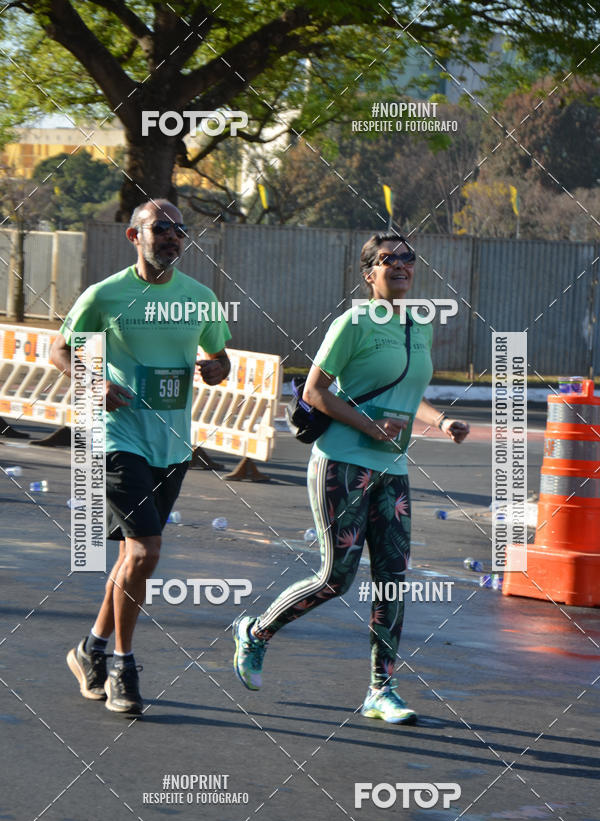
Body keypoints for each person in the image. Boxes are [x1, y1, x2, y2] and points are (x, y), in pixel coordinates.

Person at [232, 232, 469, 723]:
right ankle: (256, 632)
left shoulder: (417, 324)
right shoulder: (354, 322)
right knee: (336, 577)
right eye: (389, 259)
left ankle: (381, 690)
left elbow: (408, 392)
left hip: (393, 469)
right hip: (342, 462)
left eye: (408, 258)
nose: (401, 265)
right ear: (369, 274)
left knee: (392, 581)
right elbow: (316, 392)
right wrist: (370, 426)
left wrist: (440, 421)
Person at [50, 199, 231, 715]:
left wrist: (218, 371)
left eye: (179, 230)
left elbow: (221, 359)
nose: (172, 237)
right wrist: (92, 381)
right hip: (118, 437)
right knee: (146, 552)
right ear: (134, 237)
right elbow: (61, 350)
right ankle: (122, 670)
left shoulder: (199, 298)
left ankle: (90, 649)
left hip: (172, 445)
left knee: (133, 556)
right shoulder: (106, 295)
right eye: (161, 229)